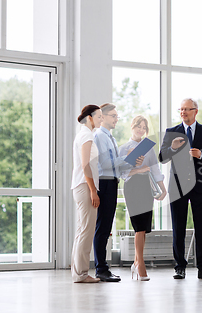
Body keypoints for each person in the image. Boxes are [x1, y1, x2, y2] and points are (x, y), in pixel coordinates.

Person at [159, 98, 202, 279]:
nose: (183, 112)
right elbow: (162, 157)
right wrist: (172, 147)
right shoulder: (172, 132)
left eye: (187, 109)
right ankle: (180, 266)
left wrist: (201, 154)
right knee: (179, 226)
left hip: (199, 186)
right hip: (177, 186)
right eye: (181, 109)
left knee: (201, 226)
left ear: (195, 111)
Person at [93, 103, 144, 282]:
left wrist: (131, 160)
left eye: (117, 116)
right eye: (113, 116)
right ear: (103, 117)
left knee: (106, 227)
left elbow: (115, 163)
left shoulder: (110, 137)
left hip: (112, 182)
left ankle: (103, 268)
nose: (116, 119)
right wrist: (127, 157)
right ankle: (101, 269)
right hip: (105, 183)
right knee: (102, 227)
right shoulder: (100, 135)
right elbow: (106, 163)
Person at [119, 115, 167, 281]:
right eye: (138, 126)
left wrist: (163, 188)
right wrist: (138, 169)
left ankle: (135, 263)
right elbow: (121, 173)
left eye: (144, 128)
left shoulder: (148, 147)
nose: (141, 130)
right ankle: (141, 265)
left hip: (146, 187)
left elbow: (154, 168)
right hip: (132, 187)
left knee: (144, 228)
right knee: (139, 227)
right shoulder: (124, 148)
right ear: (132, 127)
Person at [70, 104, 102, 283]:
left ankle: (78, 273)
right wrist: (93, 191)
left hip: (81, 186)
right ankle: (81, 274)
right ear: (89, 117)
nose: (101, 119)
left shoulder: (84, 134)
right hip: (84, 187)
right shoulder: (86, 135)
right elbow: (85, 165)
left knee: (82, 230)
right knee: (86, 232)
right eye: (98, 117)